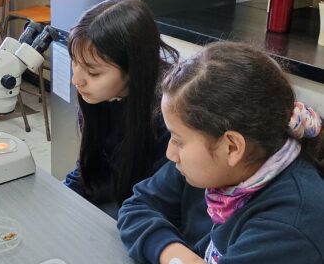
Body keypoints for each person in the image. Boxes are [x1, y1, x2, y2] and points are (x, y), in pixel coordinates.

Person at [118, 42, 324, 264]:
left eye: (178, 140)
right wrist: (177, 257)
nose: (170, 153)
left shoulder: (291, 225)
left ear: (232, 147)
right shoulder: (212, 163)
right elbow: (137, 206)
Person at [63, 0, 179, 217]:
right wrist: (60, 198)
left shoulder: (170, 116)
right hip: (124, 207)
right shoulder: (103, 98)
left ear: (133, 68)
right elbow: (92, 168)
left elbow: (156, 204)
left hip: (149, 218)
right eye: (75, 62)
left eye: (93, 72)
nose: (76, 80)